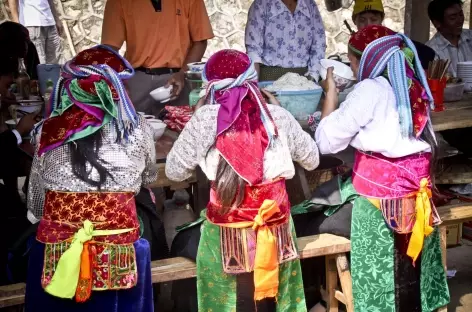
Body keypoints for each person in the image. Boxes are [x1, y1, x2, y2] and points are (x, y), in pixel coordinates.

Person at [165, 49, 319, 311]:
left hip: (226, 235)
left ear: (209, 86)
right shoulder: (276, 116)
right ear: (252, 82)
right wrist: (280, 114)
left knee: (183, 239)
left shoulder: (204, 120)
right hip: (276, 232)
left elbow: (174, 173)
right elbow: (312, 160)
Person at [314, 25, 449, 311]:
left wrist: (331, 97)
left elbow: (326, 142)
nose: (353, 68)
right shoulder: (415, 85)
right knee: (410, 272)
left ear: (366, 61)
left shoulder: (370, 90)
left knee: (380, 274)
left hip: (378, 203)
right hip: (417, 197)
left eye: (353, 62)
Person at [25, 45, 157, 311]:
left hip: (57, 254)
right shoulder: (136, 127)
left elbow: (36, 207)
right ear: (118, 88)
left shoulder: (46, 131)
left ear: (68, 87)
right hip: (120, 252)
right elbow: (149, 178)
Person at [101, 0, 214, 116]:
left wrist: (183, 73)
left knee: (178, 129)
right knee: (133, 129)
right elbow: (110, 48)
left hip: (177, 81)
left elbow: (200, 41)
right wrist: (118, 83)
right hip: (135, 81)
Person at [245, 0, 326, 81]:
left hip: (304, 79)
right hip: (269, 78)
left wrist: (313, 77)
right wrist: (255, 85)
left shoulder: (309, 4)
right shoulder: (261, 4)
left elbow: (319, 44)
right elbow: (253, 50)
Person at [351, 0, 436, 70]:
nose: (368, 25)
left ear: (381, 19)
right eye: (362, 20)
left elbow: (428, 53)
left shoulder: (393, 42)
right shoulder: (352, 45)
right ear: (354, 20)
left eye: (373, 19)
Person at [427, 0, 472, 76]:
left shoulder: (470, 36)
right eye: (453, 18)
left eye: (461, 14)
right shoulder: (431, 51)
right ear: (437, 23)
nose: (460, 20)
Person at [8, 0, 62, 64]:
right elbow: (12, 1)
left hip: (50, 23)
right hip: (31, 24)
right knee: (40, 62)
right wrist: (17, 24)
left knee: (56, 61)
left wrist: (57, 19)